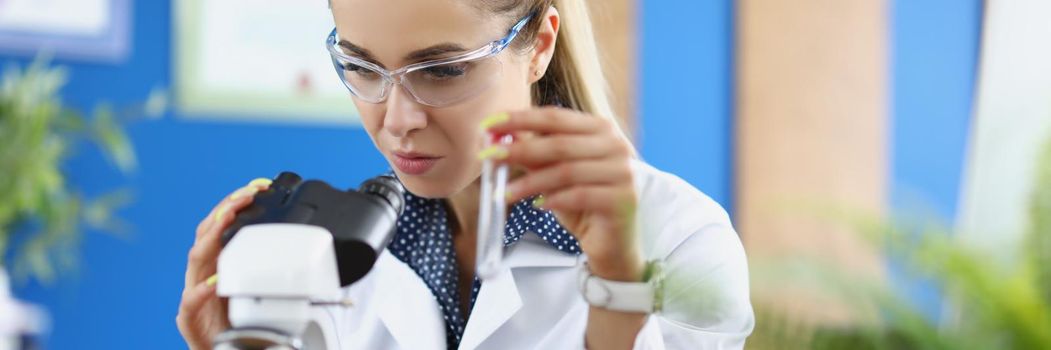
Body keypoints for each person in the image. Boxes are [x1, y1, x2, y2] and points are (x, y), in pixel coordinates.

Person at [177, 0, 754, 348]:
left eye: (443, 71)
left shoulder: (680, 241)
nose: (397, 121)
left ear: (539, 45)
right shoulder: (341, 253)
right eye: (360, 67)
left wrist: (619, 292)